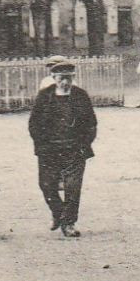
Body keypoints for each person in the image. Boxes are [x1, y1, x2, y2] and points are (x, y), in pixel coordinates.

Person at [28, 59, 98, 238]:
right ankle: (58, 213)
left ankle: (68, 223)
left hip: (74, 149)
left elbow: (91, 123)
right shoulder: (44, 96)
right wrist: (42, 145)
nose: (65, 82)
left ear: (73, 78)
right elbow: (33, 124)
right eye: (61, 78)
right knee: (46, 185)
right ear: (53, 77)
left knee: (72, 187)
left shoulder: (80, 96)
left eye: (68, 78)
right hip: (49, 151)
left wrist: (84, 145)